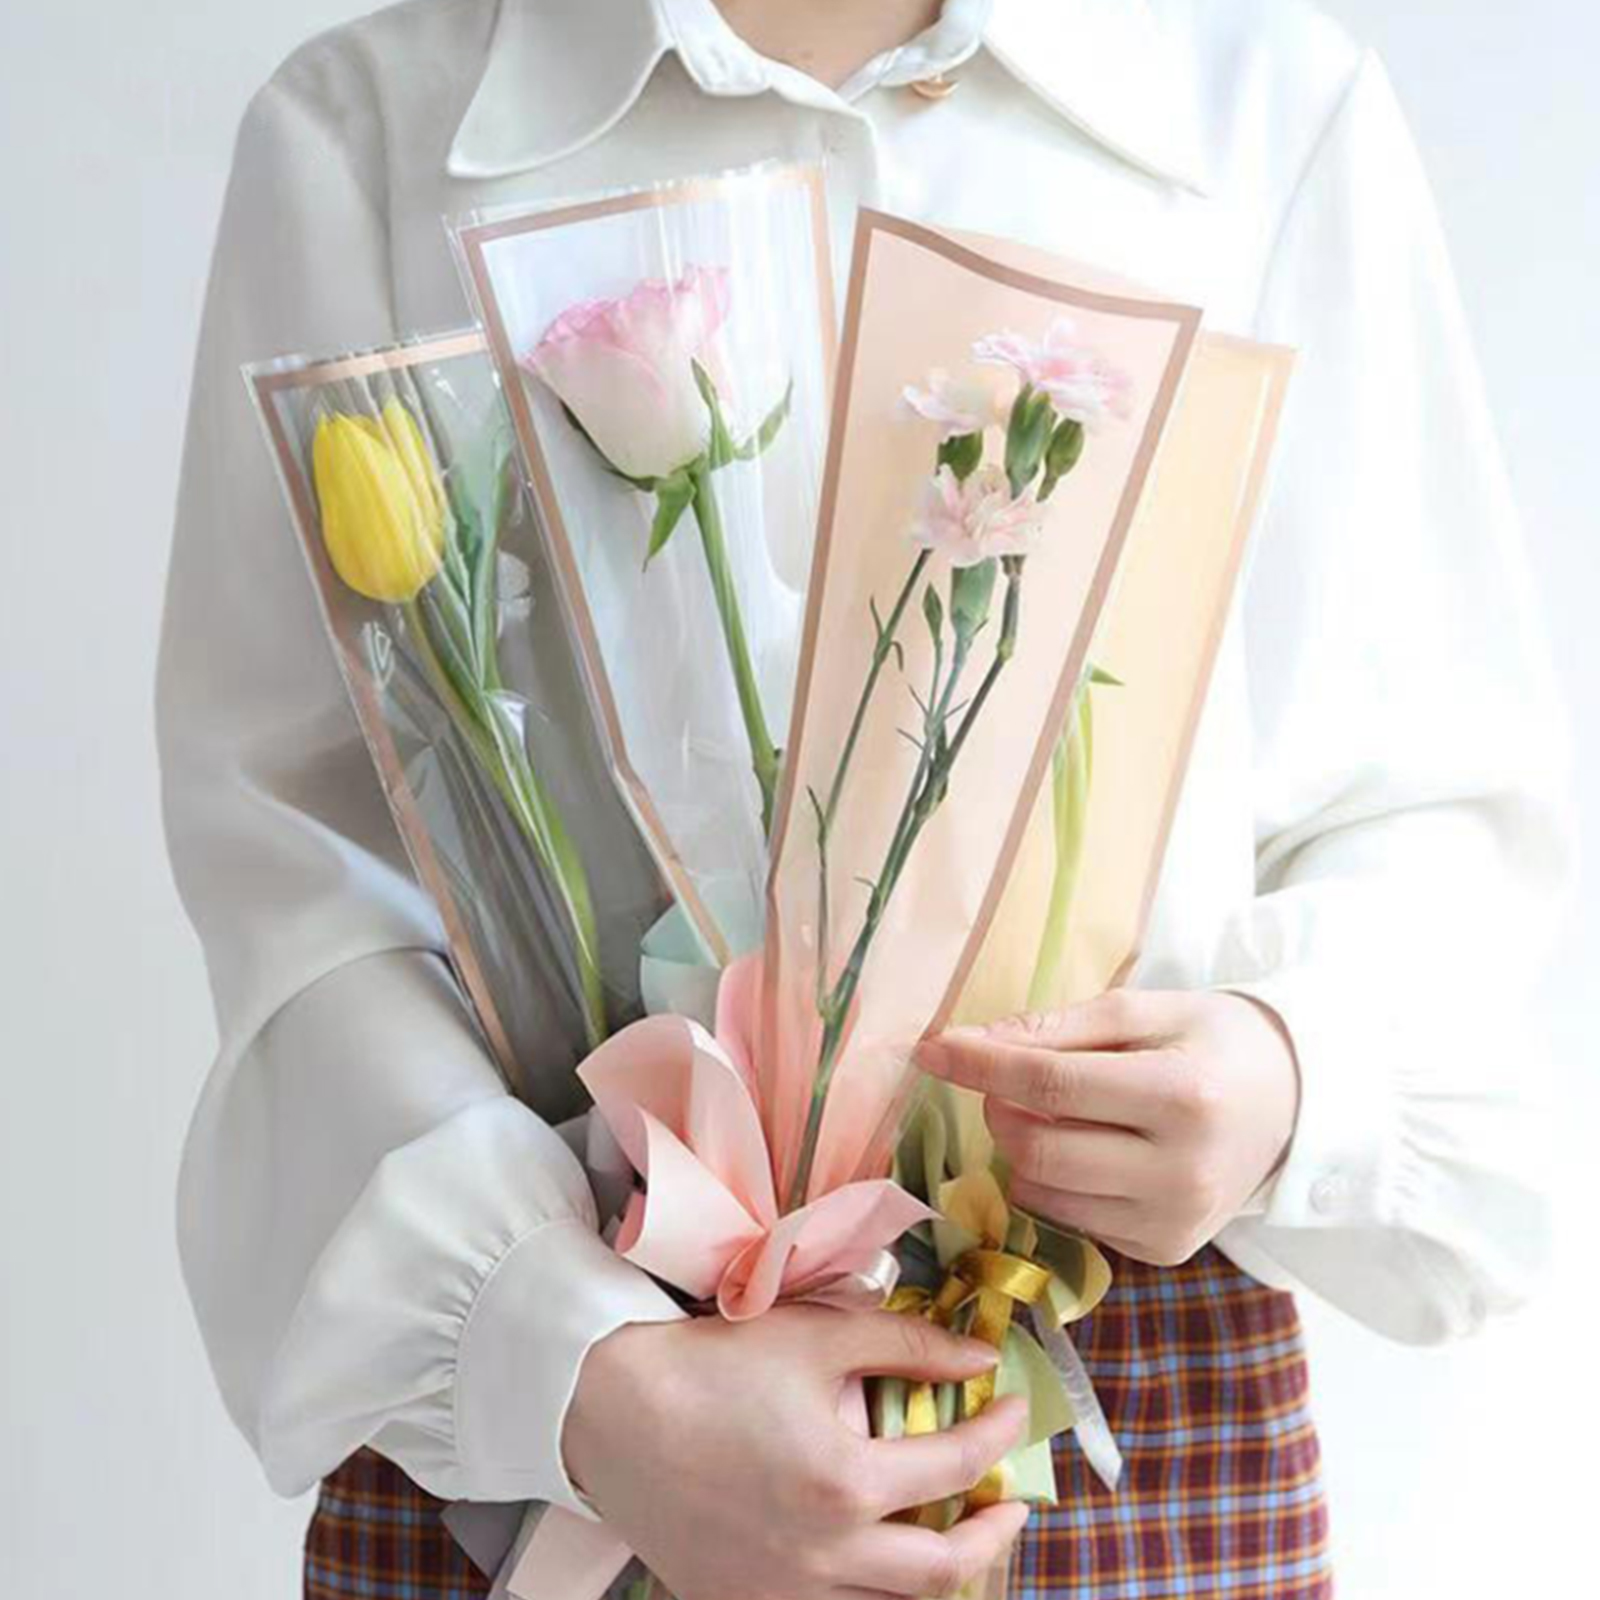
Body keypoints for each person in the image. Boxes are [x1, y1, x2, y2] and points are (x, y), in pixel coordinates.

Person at [157, 2, 1572, 1597]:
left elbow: (1428, 800)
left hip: (1100, 1361)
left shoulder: (1260, 116)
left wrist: (1286, 1072)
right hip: (573, 1415)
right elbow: (305, 881)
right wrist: (583, 1373)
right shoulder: (371, 136)